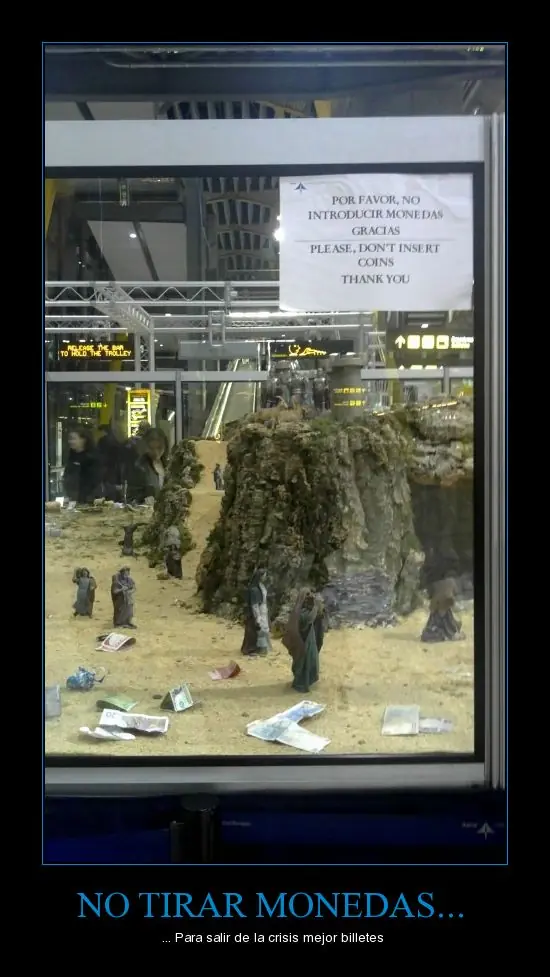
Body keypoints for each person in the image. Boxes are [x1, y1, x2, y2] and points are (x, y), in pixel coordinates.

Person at [282, 588, 326, 693]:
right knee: (303, 664)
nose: (309, 599)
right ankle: (301, 683)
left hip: (309, 641)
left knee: (311, 662)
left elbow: (319, 616)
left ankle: (308, 680)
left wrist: (317, 607)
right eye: (306, 597)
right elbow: (309, 619)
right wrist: (316, 606)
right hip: (303, 643)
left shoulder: (305, 611)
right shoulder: (300, 614)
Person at [127, 427, 169, 503]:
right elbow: (131, 497)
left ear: (165, 446)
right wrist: (143, 499)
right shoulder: (139, 466)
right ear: (145, 447)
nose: (156, 452)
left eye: (159, 448)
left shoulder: (169, 465)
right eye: (151, 448)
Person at [63, 427, 101, 504]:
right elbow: (67, 476)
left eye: (73, 439)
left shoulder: (92, 458)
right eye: (69, 439)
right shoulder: (71, 456)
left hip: (88, 499)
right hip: (72, 498)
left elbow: (94, 481)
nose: (70, 441)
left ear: (83, 440)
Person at [240, 568, 271, 656]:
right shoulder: (254, 589)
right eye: (264, 576)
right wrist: (258, 617)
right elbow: (255, 605)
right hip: (256, 612)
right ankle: (250, 649)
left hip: (263, 610)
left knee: (261, 629)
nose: (265, 577)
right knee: (253, 631)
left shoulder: (261, 586)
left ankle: (259, 647)